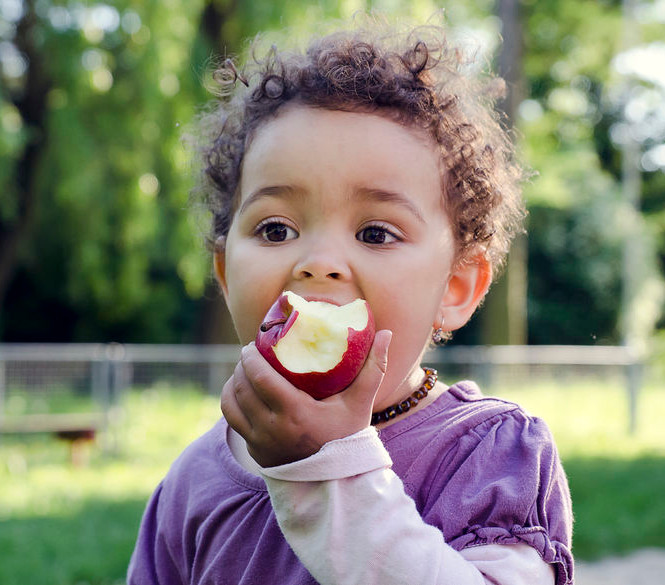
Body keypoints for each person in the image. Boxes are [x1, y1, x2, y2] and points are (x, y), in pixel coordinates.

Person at [128, 18, 574, 585]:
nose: (319, 261)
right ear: (224, 271)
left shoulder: (490, 456)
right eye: (274, 229)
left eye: (375, 233)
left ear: (456, 288)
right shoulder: (193, 482)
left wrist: (328, 468)